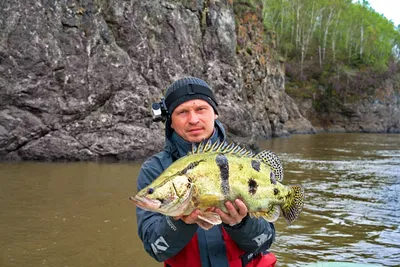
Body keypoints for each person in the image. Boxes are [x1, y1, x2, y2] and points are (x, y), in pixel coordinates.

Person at [135, 77, 277, 267]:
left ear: (215, 113)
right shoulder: (154, 170)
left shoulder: (246, 163)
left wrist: (241, 224)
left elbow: (265, 241)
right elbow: (156, 249)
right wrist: (181, 222)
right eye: (182, 112)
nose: (193, 119)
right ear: (170, 122)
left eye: (201, 109)